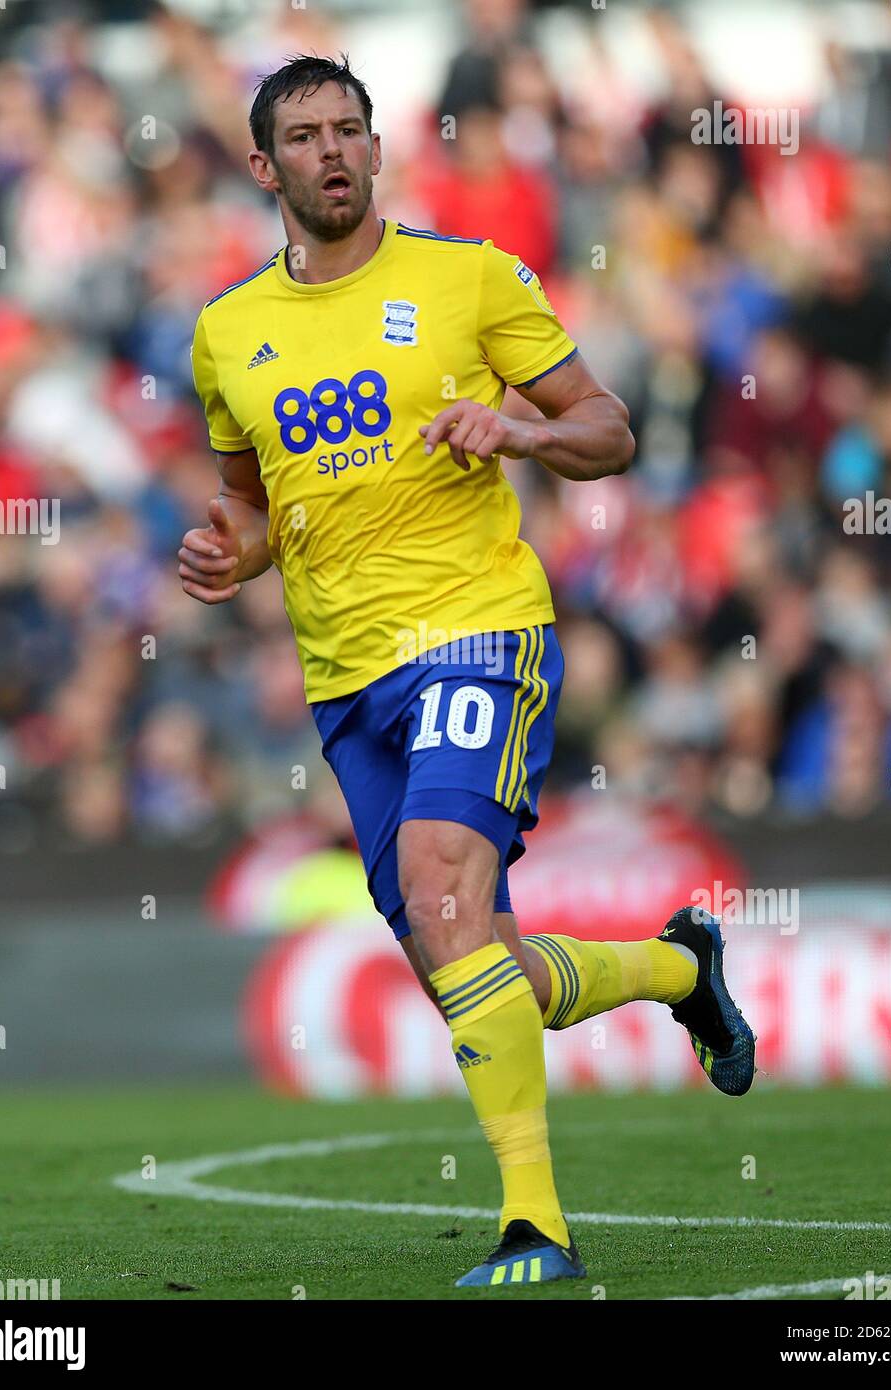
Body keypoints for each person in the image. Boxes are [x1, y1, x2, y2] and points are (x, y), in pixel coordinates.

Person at [179, 54, 755, 1289]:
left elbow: (609, 425)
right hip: (344, 680)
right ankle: (678, 968)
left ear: (377, 149)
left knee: (442, 888)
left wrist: (525, 429)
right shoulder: (226, 334)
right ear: (262, 166)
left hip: (478, 629)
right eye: (306, 135)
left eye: (351, 129)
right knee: (472, 962)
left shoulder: (469, 277)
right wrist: (229, 557)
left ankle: (533, 1226)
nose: (333, 150)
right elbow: (251, 507)